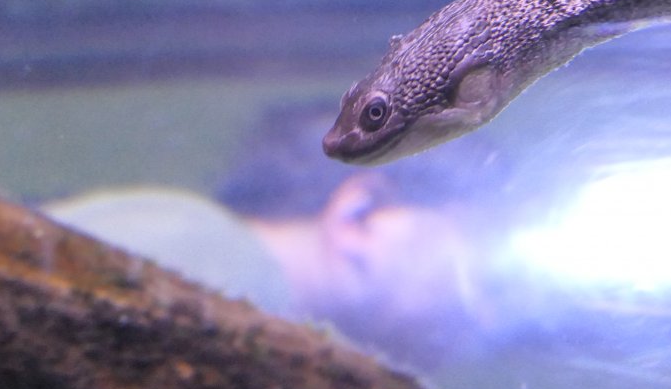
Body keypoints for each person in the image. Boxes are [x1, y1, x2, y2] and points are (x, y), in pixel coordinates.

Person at [47, 102, 515, 365]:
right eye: (480, 277)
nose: (487, 319)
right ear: (362, 216)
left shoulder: (197, 257)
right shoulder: (197, 266)